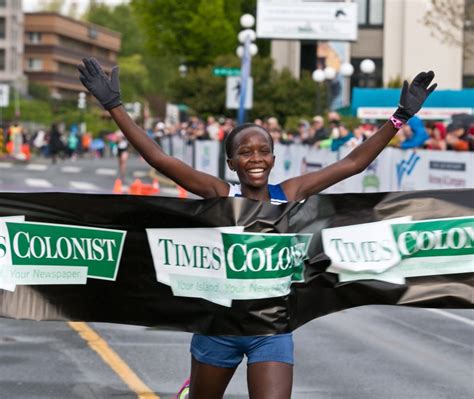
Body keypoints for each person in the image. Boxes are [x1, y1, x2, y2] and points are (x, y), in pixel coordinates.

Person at [77, 57, 436, 399]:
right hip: (218, 328)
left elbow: (353, 163)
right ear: (232, 163)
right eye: (245, 153)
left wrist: (400, 117)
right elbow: (159, 159)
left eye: (263, 151)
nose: (256, 159)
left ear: (273, 159)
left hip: (271, 330)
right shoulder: (219, 193)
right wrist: (114, 107)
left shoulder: (289, 193)